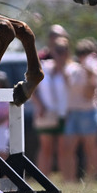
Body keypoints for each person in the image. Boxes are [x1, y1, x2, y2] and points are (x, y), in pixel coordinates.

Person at [60, 39, 97, 182]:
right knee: (68, 148)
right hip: (73, 112)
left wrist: (90, 74)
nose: (83, 57)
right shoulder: (73, 70)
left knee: (90, 148)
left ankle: (90, 179)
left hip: (88, 112)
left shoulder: (96, 72)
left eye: (86, 53)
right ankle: (69, 179)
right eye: (81, 53)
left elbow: (88, 95)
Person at [33, 37, 71, 177]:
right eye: (57, 50)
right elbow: (33, 90)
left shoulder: (72, 69)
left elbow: (73, 89)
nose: (60, 54)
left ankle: (67, 180)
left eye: (63, 50)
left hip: (65, 113)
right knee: (46, 148)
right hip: (47, 112)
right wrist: (40, 106)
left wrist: (62, 70)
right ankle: (43, 178)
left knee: (63, 148)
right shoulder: (43, 67)